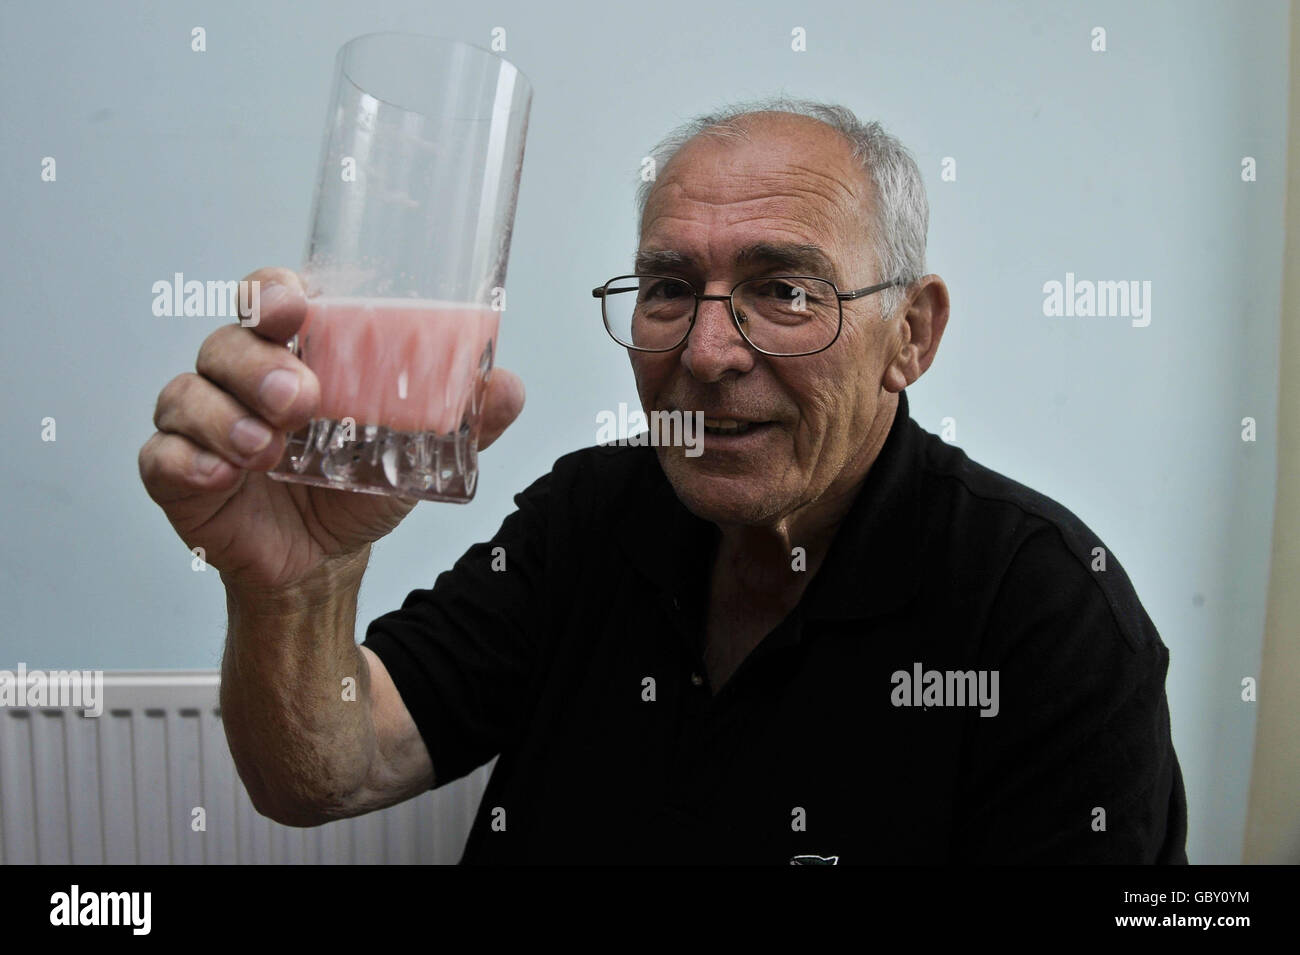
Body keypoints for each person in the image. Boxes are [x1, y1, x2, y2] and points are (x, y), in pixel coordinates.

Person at [139, 97, 1188, 864]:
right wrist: (296, 584)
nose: (707, 350)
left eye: (783, 290)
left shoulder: (1046, 611)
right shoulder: (593, 514)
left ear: (907, 335)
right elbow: (322, 771)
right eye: (669, 288)